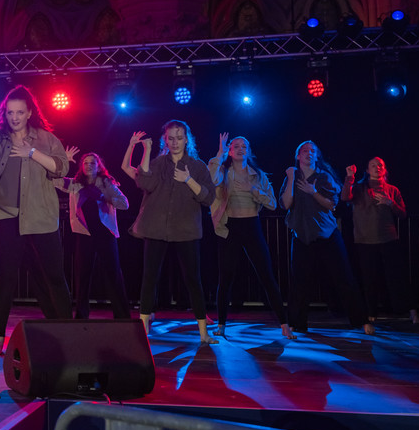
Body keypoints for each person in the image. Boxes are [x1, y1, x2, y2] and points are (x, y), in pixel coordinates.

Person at [0, 83, 71, 355]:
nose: (14, 117)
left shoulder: (45, 139)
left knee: (54, 276)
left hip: (40, 216)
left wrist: (32, 153)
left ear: (29, 112)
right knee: (5, 278)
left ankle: (68, 332)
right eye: (10, 112)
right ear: (4, 114)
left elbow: (61, 168)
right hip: (6, 216)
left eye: (19, 112)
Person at [130, 120, 217, 344]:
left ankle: (204, 333)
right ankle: (143, 331)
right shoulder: (159, 163)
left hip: (186, 229)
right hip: (156, 227)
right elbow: (145, 183)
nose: (175, 142)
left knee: (193, 280)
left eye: (179, 137)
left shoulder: (197, 166)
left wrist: (188, 180)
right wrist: (147, 151)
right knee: (150, 278)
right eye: (171, 138)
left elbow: (208, 198)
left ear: (187, 139)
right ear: (165, 140)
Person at [280, 141, 373, 335]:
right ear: (298, 156)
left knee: (344, 277)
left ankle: (360, 320)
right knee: (299, 281)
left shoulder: (324, 176)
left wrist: (313, 192)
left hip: (327, 234)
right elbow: (286, 204)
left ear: (317, 156)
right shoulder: (292, 177)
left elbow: (332, 205)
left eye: (313, 151)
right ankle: (297, 323)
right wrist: (290, 178)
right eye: (305, 151)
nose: (309, 153)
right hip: (302, 235)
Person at [208, 133, 290, 339]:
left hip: (252, 225)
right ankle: (221, 324)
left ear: (249, 151)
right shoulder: (224, 172)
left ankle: (284, 324)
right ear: (230, 151)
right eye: (235, 146)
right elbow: (212, 179)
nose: (240, 149)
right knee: (225, 277)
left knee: (266, 275)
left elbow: (272, 204)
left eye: (244, 146)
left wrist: (252, 189)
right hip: (230, 227)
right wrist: (219, 152)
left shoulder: (258, 175)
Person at [55, 152, 131, 320]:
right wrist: (64, 161)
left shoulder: (106, 183)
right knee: (82, 276)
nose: (89, 165)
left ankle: (122, 316)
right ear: (81, 166)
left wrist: (105, 197)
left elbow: (124, 203)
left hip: (105, 234)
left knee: (113, 274)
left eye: (92, 163)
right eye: (86, 163)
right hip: (85, 235)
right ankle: (81, 316)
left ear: (98, 166)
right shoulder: (75, 184)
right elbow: (55, 180)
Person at [342, 157, 414, 323]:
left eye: (380, 165)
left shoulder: (392, 189)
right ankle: (371, 313)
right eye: (373, 165)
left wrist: (390, 203)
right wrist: (349, 177)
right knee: (369, 279)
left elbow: (403, 214)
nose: (377, 167)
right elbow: (345, 197)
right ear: (367, 170)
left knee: (397, 276)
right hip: (365, 240)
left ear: (385, 169)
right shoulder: (359, 188)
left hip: (388, 238)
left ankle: (409, 311)